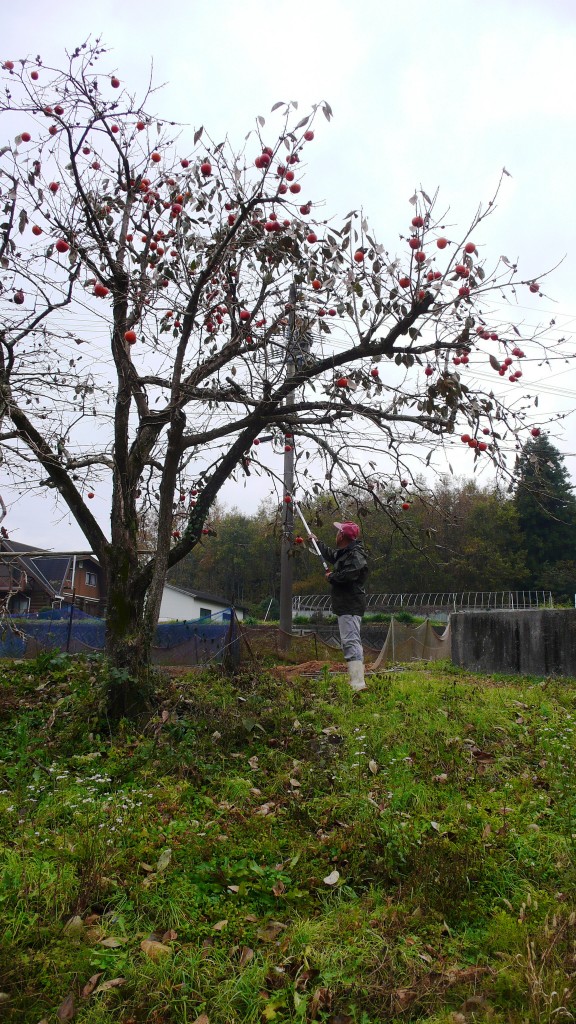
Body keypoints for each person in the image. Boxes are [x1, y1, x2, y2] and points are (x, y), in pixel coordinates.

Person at [313, 521, 368, 692]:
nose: (336, 535)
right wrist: (316, 542)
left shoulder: (355, 555)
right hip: (346, 604)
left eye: (338, 532)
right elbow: (332, 555)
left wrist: (332, 577)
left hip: (350, 604)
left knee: (351, 641)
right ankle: (357, 681)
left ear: (342, 536)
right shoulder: (345, 553)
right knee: (350, 641)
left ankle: (358, 684)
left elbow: (350, 574)